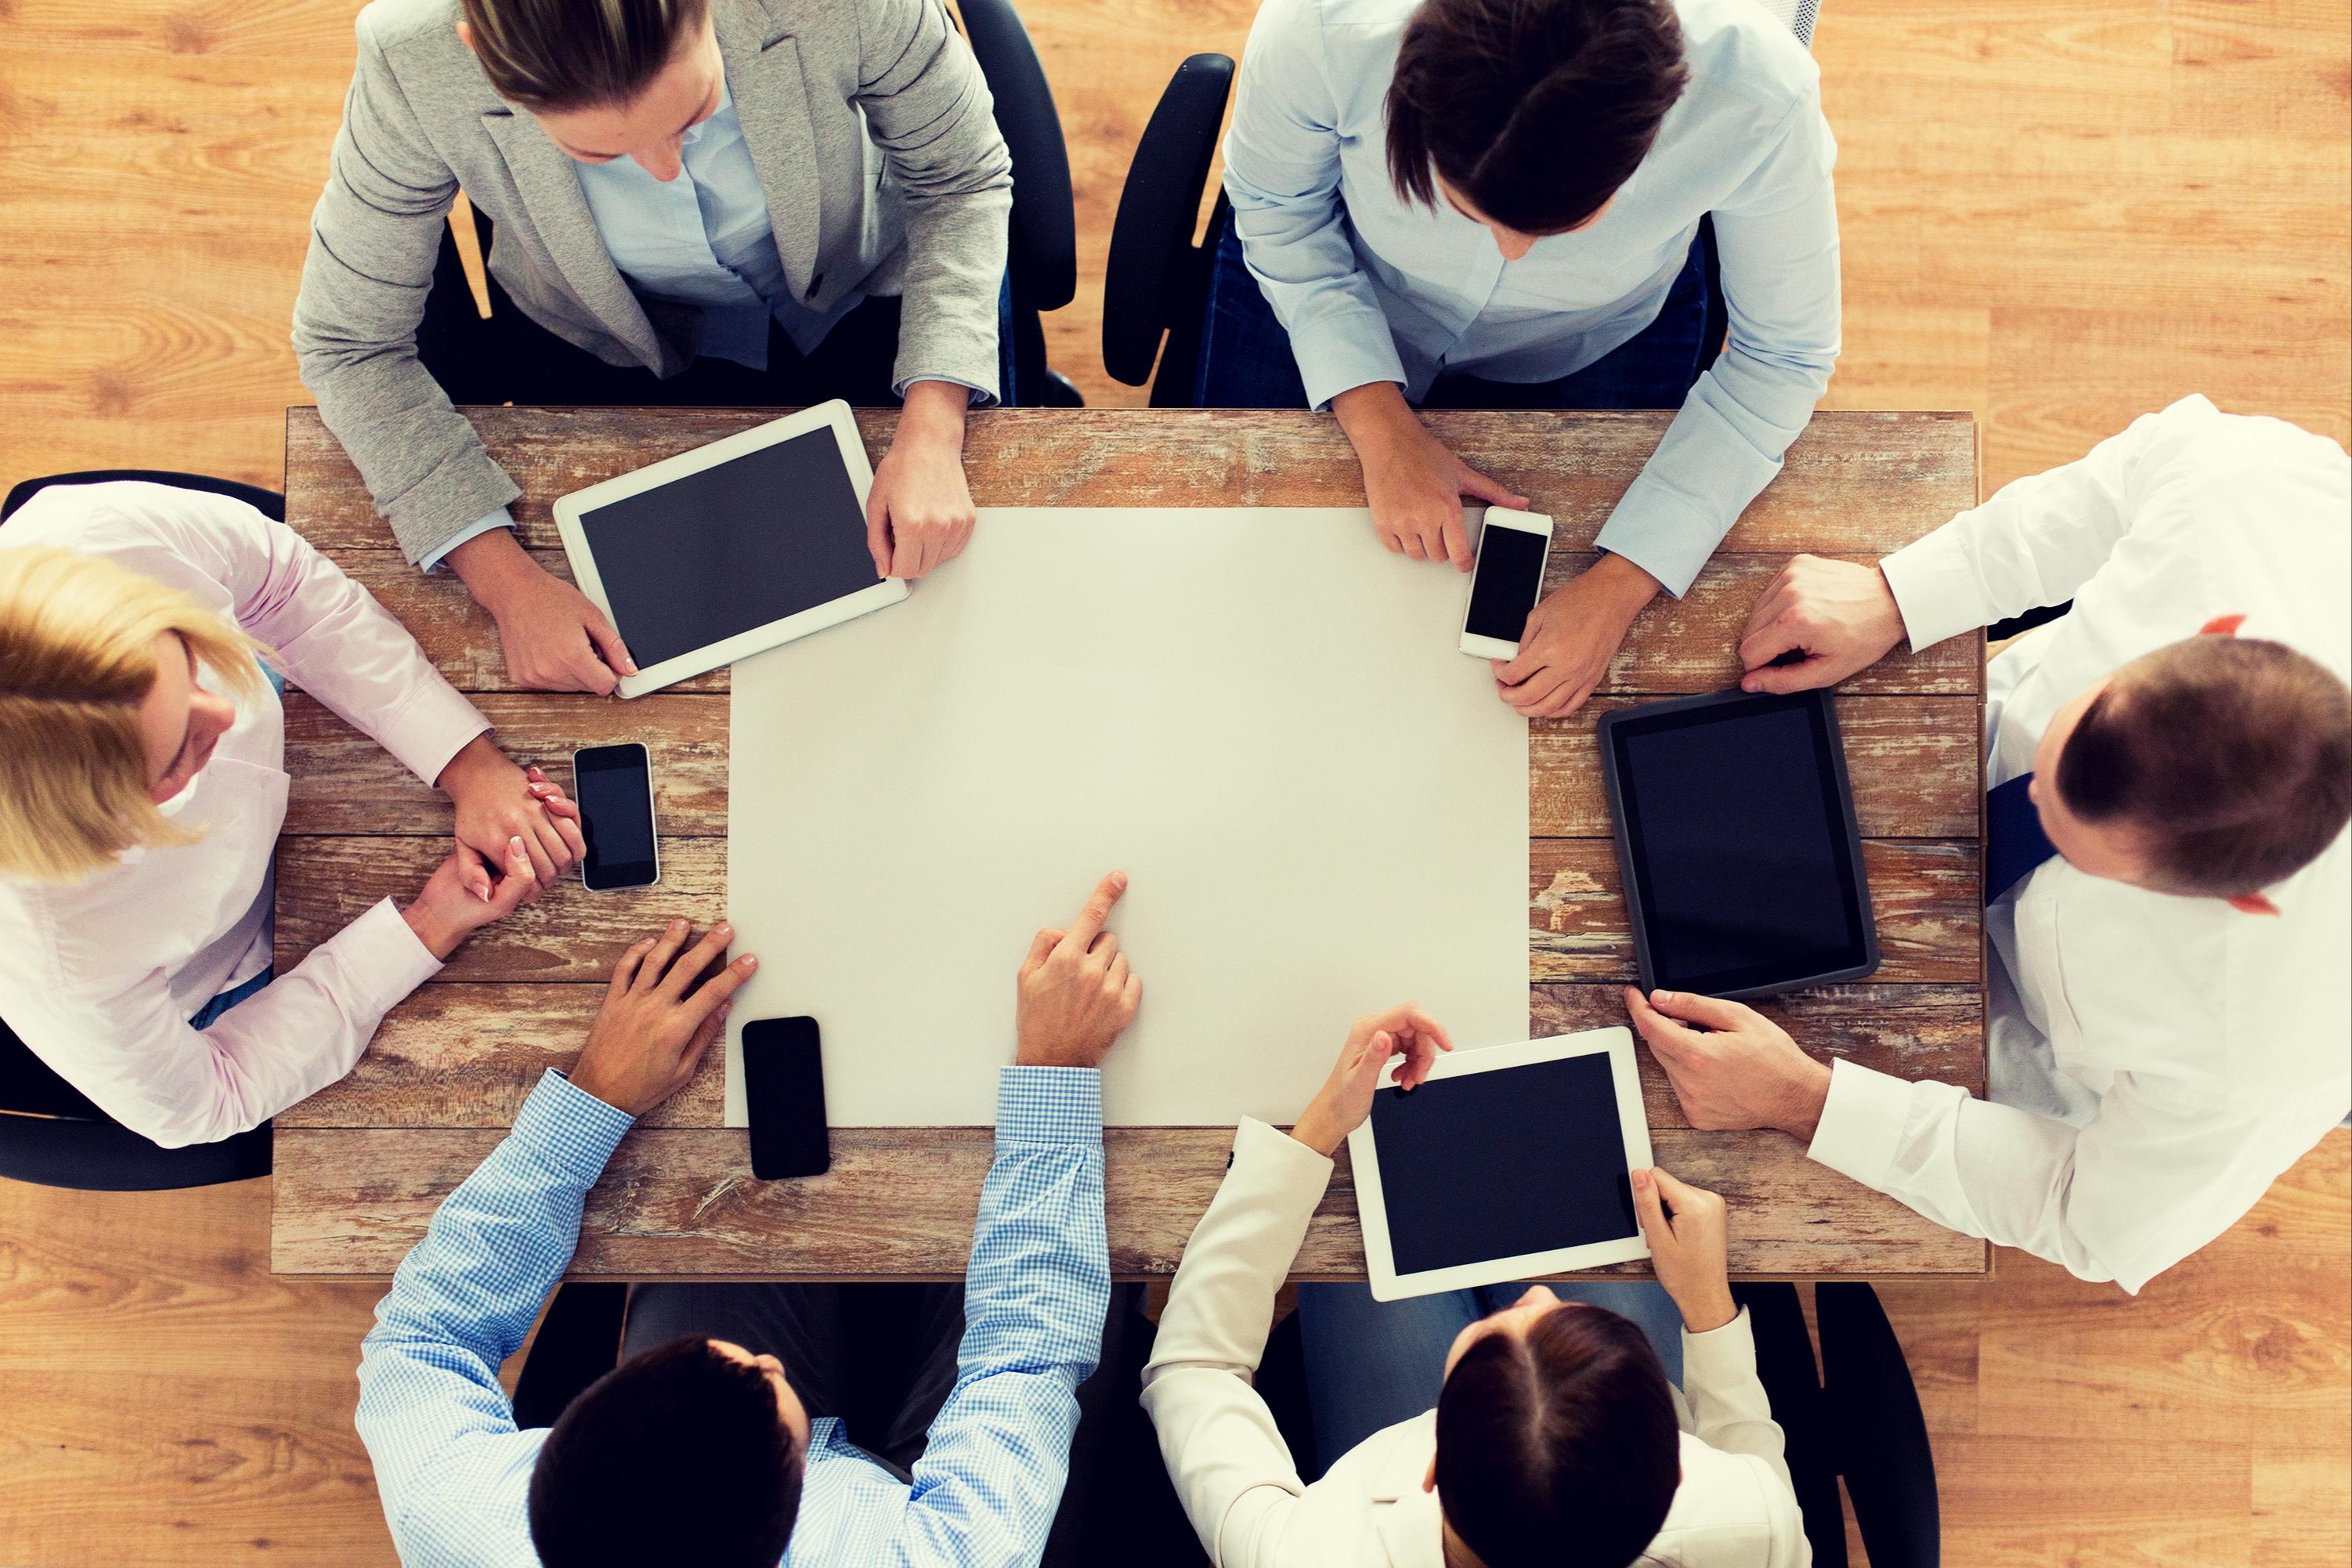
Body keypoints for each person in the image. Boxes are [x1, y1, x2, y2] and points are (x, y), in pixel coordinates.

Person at [1627, 394, 2352, 1293]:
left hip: (2022, 1046)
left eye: (2078, 844)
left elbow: (2087, 1217)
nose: (2038, 795)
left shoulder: (2266, 1051)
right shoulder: (2243, 497)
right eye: (2064, 750)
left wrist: (1806, 1102)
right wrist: (1902, 594)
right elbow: (2106, 494)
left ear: (2241, 899)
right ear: (2208, 633)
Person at [356, 873, 1146, 1566]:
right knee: (1088, 1274)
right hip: (907, 1514)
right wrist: (1057, 1069)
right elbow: (1023, 1359)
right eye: (764, 1378)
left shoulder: (461, 1516)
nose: (762, 1361)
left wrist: (594, 1093)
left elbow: (421, 1340)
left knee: (731, 1206)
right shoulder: (949, 1558)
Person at [294, 0, 1013, 694]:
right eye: (597, 152)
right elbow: (347, 344)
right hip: (605, 347)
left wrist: (932, 427)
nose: (664, 170)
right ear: (480, 57)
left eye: (694, 115)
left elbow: (960, 178)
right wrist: (506, 587)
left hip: (860, 300)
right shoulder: (410, 55)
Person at [1212, 0, 1839, 720]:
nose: (1511, 251)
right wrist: (1376, 421)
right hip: (1334, 273)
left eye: (1563, 224)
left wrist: (1620, 586)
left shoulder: (1759, 90)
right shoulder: (1323, 23)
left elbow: (1784, 354)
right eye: (1468, 208)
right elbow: (1275, 208)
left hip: (1606, 331)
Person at [0, 480, 569, 1148]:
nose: (227, 710)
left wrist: (465, 763)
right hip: (228, 970)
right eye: (178, 755)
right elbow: (208, 1099)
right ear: (96, 824)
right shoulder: (61, 958)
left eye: (183, 658)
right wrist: (427, 924)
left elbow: (282, 585)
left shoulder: (91, 532)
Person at [1141, 1007, 1808, 1566]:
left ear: (1429, 1469)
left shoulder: (1311, 1552)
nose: (1538, 1295)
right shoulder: (1754, 1524)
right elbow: (1747, 1451)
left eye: (1486, 1342)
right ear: (1678, 1468)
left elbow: (1194, 1368)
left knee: (1362, 1219)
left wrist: (1314, 1133)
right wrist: (1706, 1307)